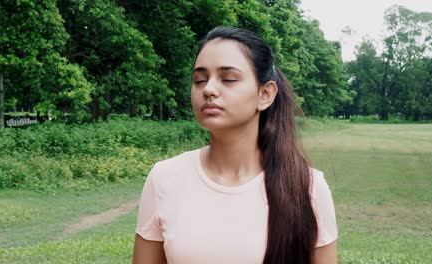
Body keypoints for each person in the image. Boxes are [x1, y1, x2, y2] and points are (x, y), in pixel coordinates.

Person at [132, 26, 338, 264]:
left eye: (228, 78)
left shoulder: (307, 187)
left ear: (265, 94)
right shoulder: (164, 178)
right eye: (199, 80)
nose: (208, 89)